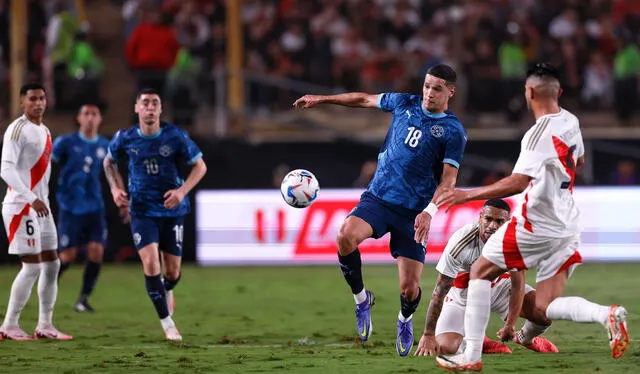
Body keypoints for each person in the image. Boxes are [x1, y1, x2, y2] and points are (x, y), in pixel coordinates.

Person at [435, 63, 630, 372]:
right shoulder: (571, 121)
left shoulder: (537, 134)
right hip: (568, 224)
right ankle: (606, 314)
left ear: (529, 92)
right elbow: (578, 158)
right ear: (559, 92)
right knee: (544, 306)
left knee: (479, 271)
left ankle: (470, 355)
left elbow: (517, 181)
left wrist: (465, 195)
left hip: (536, 223)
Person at [293, 64, 467, 356]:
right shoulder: (403, 103)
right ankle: (362, 299)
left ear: (450, 91)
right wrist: (320, 99)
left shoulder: (453, 132)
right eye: (426, 85)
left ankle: (405, 319)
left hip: (413, 214)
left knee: (409, 290)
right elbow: (362, 99)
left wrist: (430, 211)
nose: (428, 93)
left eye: (437, 88)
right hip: (379, 199)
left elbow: (449, 181)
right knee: (345, 236)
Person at [103, 88, 207, 341]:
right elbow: (108, 162)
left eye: (155, 104)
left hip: (172, 210)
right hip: (141, 210)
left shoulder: (176, 136)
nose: (150, 107)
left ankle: (167, 289)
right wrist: (116, 188)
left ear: (161, 109)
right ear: (136, 108)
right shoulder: (124, 137)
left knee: (171, 273)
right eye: (145, 103)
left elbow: (200, 166)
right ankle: (167, 324)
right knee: (151, 264)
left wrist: (182, 191)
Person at [414, 199, 558, 357]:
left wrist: (510, 325)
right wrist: (428, 334)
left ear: (507, 222)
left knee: (546, 312)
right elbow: (439, 291)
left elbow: (518, 285)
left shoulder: (515, 242)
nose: (493, 225)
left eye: (499, 221)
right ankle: (475, 341)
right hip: (463, 298)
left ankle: (525, 338)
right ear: (480, 217)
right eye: (488, 219)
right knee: (445, 348)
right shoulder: (461, 243)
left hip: (498, 288)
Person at [0, 83, 72, 340]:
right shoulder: (16, 129)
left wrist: (41, 199)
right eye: (32, 99)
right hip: (22, 206)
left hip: (42, 207)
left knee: (52, 263)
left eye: (42, 98)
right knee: (31, 267)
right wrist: (31, 198)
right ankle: (9, 325)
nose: (38, 103)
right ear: (22, 102)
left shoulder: (45, 130)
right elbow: (6, 170)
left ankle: (45, 325)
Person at [53, 103, 113, 312]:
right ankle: (47, 290)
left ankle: (83, 299)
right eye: (86, 113)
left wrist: (121, 196)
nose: (90, 117)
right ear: (78, 118)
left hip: (95, 206)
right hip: (71, 207)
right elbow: (47, 167)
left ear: (100, 119)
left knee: (96, 252)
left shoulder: (106, 146)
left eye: (94, 114)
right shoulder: (65, 143)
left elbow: (114, 173)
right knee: (67, 256)